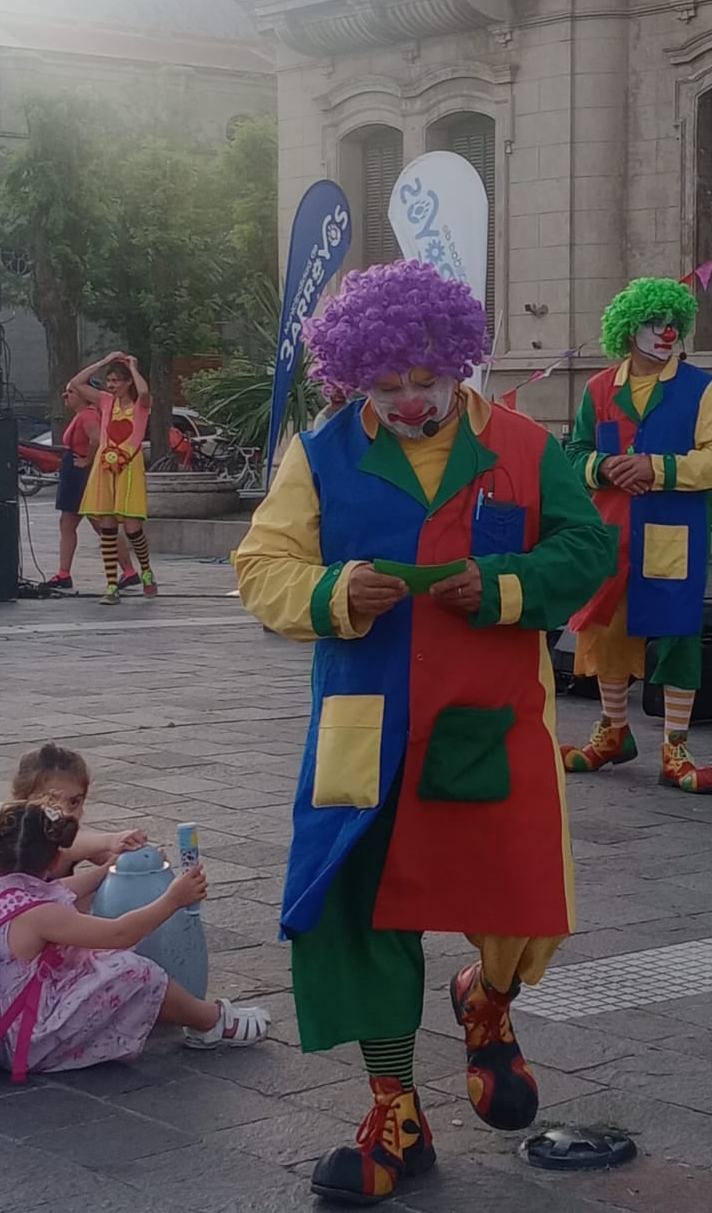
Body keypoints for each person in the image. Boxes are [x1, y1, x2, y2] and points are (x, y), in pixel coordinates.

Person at [235, 260, 614, 1206]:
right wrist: (331, 591)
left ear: (459, 362)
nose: (409, 400)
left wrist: (507, 585)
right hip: (364, 727)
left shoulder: (525, 446)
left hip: (489, 718)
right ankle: (395, 1109)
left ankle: (488, 1000)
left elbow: (587, 549)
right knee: (360, 909)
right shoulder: (318, 454)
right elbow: (262, 565)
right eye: (386, 383)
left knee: (523, 900)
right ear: (353, 376)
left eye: (425, 379)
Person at [562, 277, 712, 792]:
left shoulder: (701, 388)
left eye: (674, 323)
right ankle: (613, 732)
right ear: (628, 329)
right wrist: (602, 467)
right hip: (611, 532)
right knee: (606, 629)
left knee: (678, 633)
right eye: (655, 323)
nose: (667, 333)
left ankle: (675, 748)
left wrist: (656, 468)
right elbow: (572, 455)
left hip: (673, 534)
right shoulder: (599, 389)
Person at [0, 800, 269, 1073]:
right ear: (55, 861)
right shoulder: (39, 915)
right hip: (28, 1040)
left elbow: (62, 890)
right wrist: (173, 900)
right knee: (132, 970)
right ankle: (211, 1021)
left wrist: (108, 868)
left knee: (94, 962)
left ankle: (191, 1016)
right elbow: (120, 933)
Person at [67, 352, 156, 605]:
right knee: (107, 526)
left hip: (129, 468)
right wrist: (104, 361)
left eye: (116, 381)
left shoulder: (141, 405)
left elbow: (144, 391)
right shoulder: (106, 402)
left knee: (132, 528)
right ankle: (111, 584)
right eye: (109, 381)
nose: (111, 385)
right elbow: (76, 383)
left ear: (128, 383)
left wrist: (134, 368)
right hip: (105, 468)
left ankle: (146, 571)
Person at [46, 385, 136, 594]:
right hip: (75, 471)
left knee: (100, 523)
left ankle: (128, 570)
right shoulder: (82, 415)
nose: (65, 395)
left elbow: (96, 439)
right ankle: (64, 573)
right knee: (68, 522)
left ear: (83, 396)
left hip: (80, 473)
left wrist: (87, 460)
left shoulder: (88, 415)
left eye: (70, 392)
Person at [10, 742, 147, 873]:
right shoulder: (12, 838)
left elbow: (110, 856)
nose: (65, 813)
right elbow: (68, 849)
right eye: (50, 802)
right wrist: (110, 841)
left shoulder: (79, 842)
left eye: (74, 802)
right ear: (23, 800)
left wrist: (139, 855)